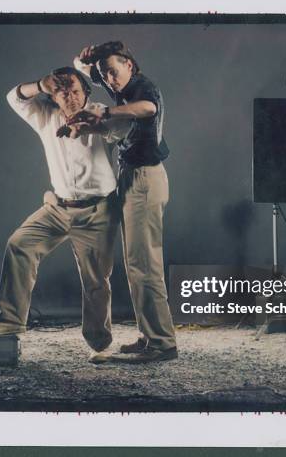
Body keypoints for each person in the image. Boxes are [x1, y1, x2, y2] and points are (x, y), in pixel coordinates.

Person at [0, 67, 130, 362]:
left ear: (86, 92)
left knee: (97, 279)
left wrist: (93, 125)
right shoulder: (44, 115)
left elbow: (122, 131)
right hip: (58, 208)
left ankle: (99, 342)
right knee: (19, 245)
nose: (70, 97)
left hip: (97, 211)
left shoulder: (99, 111)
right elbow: (14, 98)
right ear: (53, 95)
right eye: (62, 92)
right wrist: (39, 84)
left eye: (75, 91)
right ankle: (11, 321)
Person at [71, 41, 178, 363]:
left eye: (114, 72)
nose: (110, 80)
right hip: (131, 177)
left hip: (145, 180)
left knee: (144, 265)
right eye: (105, 75)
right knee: (137, 265)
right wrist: (85, 59)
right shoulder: (115, 78)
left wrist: (106, 111)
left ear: (129, 65)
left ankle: (162, 343)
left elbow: (147, 108)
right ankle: (150, 336)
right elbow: (81, 67)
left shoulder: (144, 86)